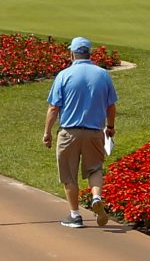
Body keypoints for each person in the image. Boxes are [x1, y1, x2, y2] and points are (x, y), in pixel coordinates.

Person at [41, 38, 117, 229]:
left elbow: (53, 108)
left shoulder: (64, 75)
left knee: (68, 175)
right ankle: (96, 197)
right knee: (95, 168)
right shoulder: (103, 75)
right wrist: (110, 127)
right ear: (90, 53)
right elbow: (111, 105)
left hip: (69, 132)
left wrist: (47, 132)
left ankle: (75, 215)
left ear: (72, 54)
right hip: (94, 132)